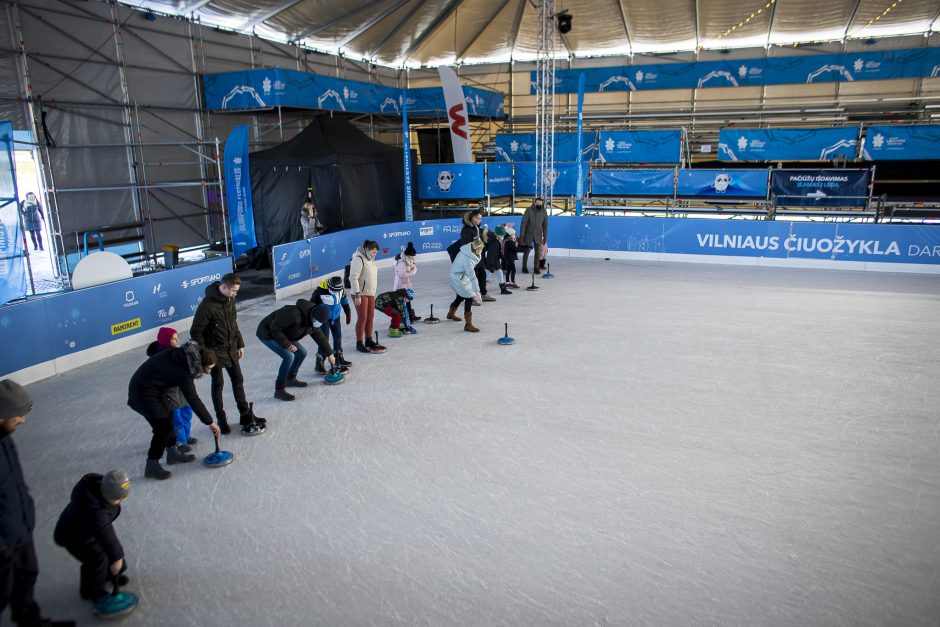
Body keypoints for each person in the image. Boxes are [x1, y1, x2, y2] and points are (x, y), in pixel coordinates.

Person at [0, 380, 75, 627]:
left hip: (18, 524)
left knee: (27, 575)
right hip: (3, 539)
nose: (23, 421)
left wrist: (25, 512)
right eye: (18, 415)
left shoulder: (4, 435)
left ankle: (30, 620)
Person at [128, 341, 222, 479]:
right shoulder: (184, 370)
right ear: (200, 363)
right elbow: (193, 399)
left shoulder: (184, 356)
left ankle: (172, 452)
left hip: (155, 389)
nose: (207, 372)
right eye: (207, 369)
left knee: (170, 416)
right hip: (142, 393)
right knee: (163, 427)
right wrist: (210, 422)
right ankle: (152, 464)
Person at [190, 273, 265, 435]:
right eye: (233, 291)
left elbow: (233, 324)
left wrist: (239, 344)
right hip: (214, 353)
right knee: (218, 385)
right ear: (223, 287)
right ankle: (221, 419)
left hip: (230, 349)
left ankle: (245, 414)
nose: (235, 294)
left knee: (238, 379)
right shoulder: (207, 306)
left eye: (236, 291)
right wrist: (205, 355)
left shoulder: (230, 300)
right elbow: (195, 332)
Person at [53, 470, 131, 606]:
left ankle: (108, 575)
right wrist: (117, 557)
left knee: (111, 557)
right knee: (96, 559)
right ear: (106, 494)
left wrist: (116, 558)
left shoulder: (101, 491)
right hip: (74, 536)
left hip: (90, 532)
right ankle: (91, 591)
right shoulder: (93, 510)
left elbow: (104, 532)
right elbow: (105, 532)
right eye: (118, 499)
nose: (120, 502)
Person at [256, 301, 337, 401]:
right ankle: (279, 390)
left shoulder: (313, 322)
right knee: (288, 357)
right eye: (318, 321)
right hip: (268, 332)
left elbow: (321, 338)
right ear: (313, 316)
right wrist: (288, 344)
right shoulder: (294, 314)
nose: (318, 324)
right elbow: (275, 328)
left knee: (302, 353)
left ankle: (290, 378)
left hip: (285, 334)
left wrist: (330, 354)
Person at [146, 327, 196, 453]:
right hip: (170, 394)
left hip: (182, 391)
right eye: (173, 339)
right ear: (165, 341)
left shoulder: (177, 353)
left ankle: (185, 435)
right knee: (176, 418)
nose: (177, 341)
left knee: (187, 414)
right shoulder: (159, 358)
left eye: (177, 338)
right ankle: (180, 441)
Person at [349, 240, 386, 354]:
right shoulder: (358, 259)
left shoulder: (371, 259)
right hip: (360, 292)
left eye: (376, 252)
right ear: (367, 250)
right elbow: (353, 277)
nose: (375, 254)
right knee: (363, 317)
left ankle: (368, 340)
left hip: (370, 292)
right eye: (374, 252)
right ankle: (359, 343)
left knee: (370, 316)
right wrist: (357, 294)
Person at [311, 276, 353, 374]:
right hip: (323, 320)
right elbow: (311, 305)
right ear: (329, 286)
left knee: (338, 337)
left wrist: (348, 313)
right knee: (324, 340)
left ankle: (338, 358)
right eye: (333, 290)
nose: (335, 292)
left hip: (336, 318)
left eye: (337, 290)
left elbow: (344, 301)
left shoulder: (341, 290)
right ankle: (319, 364)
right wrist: (312, 320)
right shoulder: (319, 292)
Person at [447, 238, 484, 332]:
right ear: (475, 249)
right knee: (469, 297)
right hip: (456, 277)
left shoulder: (469, 250)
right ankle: (468, 324)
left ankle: (451, 314)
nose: (482, 250)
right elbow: (472, 276)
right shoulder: (468, 260)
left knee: (460, 296)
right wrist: (477, 291)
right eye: (481, 249)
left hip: (461, 275)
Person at [459, 210, 494, 302]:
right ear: (474, 218)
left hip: (479, 258)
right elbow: (468, 245)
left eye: (481, 218)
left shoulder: (476, 228)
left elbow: (481, 240)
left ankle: (483, 294)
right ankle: (473, 297)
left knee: (482, 276)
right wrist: (482, 246)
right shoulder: (467, 230)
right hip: (471, 259)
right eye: (479, 218)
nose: (480, 220)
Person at [393, 242, 421, 322]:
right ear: (408, 255)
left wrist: (413, 270)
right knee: (403, 301)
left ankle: (411, 316)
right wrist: (412, 272)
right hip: (400, 284)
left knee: (408, 299)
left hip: (406, 283)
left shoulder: (408, 260)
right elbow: (403, 275)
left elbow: (414, 267)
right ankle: (405, 318)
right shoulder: (402, 262)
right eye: (412, 256)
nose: (413, 258)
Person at [519, 198, 548, 274]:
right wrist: (522, 236)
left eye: (541, 204)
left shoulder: (544, 211)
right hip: (528, 234)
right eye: (538, 204)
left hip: (538, 234)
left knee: (538, 252)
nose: (539, 205)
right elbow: (523, 224)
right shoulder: (528, 210)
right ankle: (524, 267)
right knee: (527, 251)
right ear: (534, 203)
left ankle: (536, 267)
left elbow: (545, 226)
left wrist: (545, 237)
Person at [485, 226, 512, 295]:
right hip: (492, 262)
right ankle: (478, 287)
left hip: (496, 261)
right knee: (487, 274)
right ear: (499, 235)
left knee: (500, 273)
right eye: (502, 235)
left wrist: (503, 259)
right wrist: (491, 265)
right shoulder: (494, 242)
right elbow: (490, 254)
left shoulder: (496, 240)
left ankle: (503, 289)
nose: (503, 236)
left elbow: (498, 253)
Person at [502, 224, 520, 288]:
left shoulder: (508, 240)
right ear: (510, 234)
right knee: (513, 270)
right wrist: (525, 249)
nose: (515, 235)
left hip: (508, 257)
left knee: (509, 270)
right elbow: (515, 249)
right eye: (514, 234)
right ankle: (512, 283)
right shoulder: (509, 241)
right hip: (510, 258)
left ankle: (507, 282)